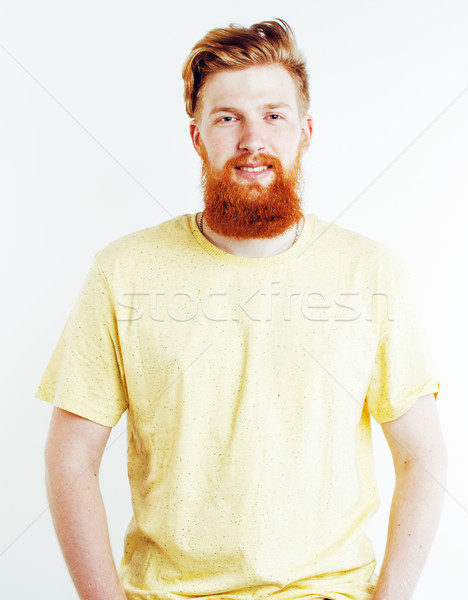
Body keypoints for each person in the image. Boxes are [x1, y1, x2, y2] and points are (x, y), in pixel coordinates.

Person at [36, 18, 447, 600]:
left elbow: (422, 457)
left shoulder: (371, 273)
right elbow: (70, 458)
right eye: (228, 118)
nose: (253, 139)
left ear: (305, 131)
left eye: (273, 116)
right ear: (196, 136)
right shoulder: (120, 273)